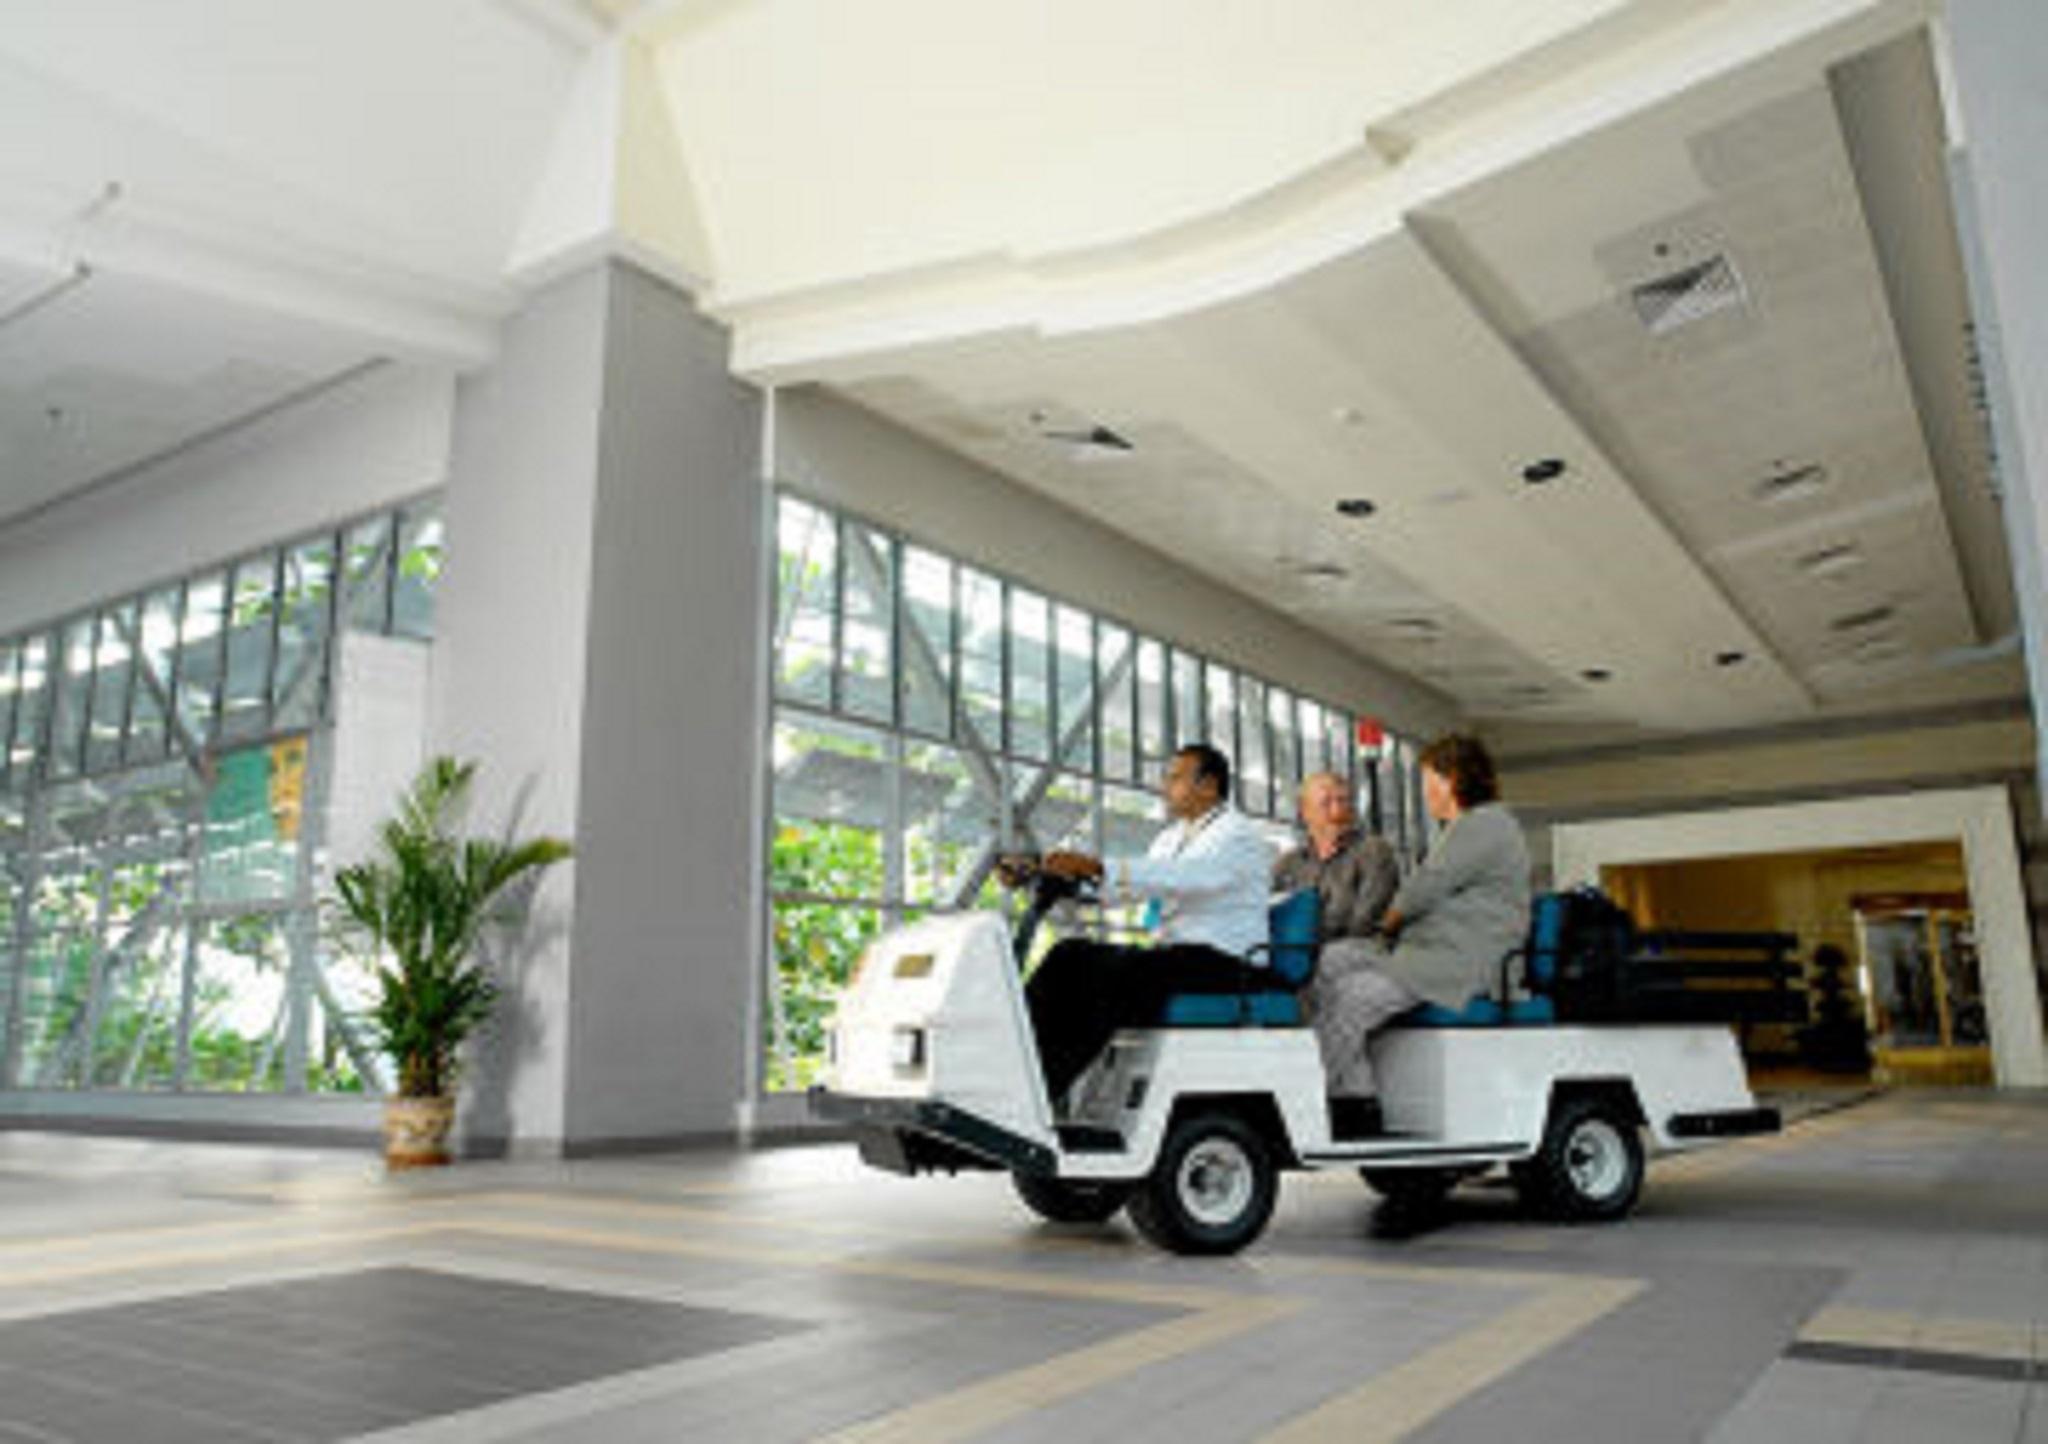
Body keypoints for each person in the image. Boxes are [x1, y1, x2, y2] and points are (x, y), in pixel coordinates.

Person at [1024, 743, 1273, 1106]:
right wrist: (1063, 880)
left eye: (1175, 778)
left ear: (1208, 785)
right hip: (1181, 955)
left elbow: (1188, 877)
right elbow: (1134, 888)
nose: (1165, 786)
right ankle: (1019, 1067)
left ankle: (1044, 1091)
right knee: (1069, 955)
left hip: (1228, 960)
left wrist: (1099, 867)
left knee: (1114, 976)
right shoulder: (1170, 838)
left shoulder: (1239, 835)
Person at [1316, 734, 1531, 1129]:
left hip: (1458, 961)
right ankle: (1355, 1092)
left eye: (1429, 780)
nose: (1425, 791)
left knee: (1350, 996)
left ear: (1452, 780)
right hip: (1426, 952)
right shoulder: (1466, 828)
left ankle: (1346, 1102)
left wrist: (1388, 922)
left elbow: (1423, 888)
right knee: (1330, 960)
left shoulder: (1485, 824)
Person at [1273, 772, 1402, 1131]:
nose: (1337, 810)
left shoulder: (1374, 851)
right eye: (1326, 801)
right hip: (1312, 957)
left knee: (1325, 966)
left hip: (1371, 951)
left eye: (1343, 800)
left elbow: (1365, 920)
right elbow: (1270, 911)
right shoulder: (1288, 864)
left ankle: (1314, 1089)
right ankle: (1356, 1102)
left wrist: (1306, 937)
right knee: (1329, 996)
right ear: (1304, 811)